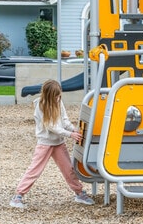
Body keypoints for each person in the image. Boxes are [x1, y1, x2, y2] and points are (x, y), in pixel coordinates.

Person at [10, 79, 95, 208]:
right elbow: (51, 126)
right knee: (35, 170)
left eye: (59, 95)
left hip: (58, 143)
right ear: (49, 96)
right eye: (56, 96)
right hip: (45, 143)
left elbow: (64, 120)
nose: (58, 98)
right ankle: (18, 196)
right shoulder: (40, 105)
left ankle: (79, 193)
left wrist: (74, 129)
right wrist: (70, 134)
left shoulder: (59, 101)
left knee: (69, 169)